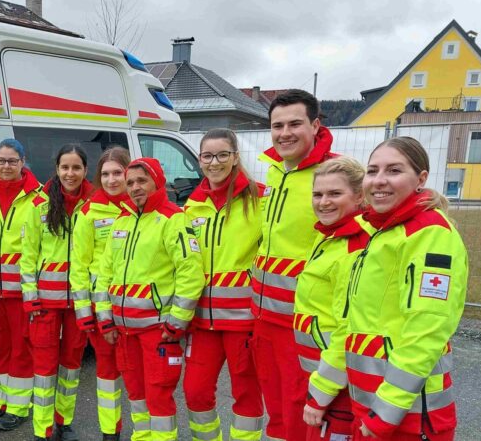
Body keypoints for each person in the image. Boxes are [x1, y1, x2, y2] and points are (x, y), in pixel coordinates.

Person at [345, 137, 466, 441]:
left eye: (394, 170)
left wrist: (385, 413)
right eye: (372, 171)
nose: (379, 180)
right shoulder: (383, 231)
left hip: (407, 416)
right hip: (371, 405)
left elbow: (426, 331)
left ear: (421, 179)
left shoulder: (430, 235)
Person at [94, 157, 205, 441]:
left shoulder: (173, 219)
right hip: (124, 331)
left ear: (157, 181)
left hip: (157, 331)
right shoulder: (122, 219)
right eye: (130, 183)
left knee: (158, 399)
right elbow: (104, 273)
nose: (134, 187)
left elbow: (191, 276)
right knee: (136, 396)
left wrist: (175, 325)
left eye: (141, 181)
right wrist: (105, 319)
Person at [250, 89, 336, 441]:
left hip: (303, 322)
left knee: (303, 413)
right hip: (264, 318)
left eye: (295, 124)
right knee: (277, 412)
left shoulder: (334, 174)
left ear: (315, 125)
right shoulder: (274, 173)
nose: (284, 133)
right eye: (277, 125)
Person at [181, 128, 266, 441]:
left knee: (246, 393)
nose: (214, 162)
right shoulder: (191, 207)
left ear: (235, 158)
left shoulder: (261, 200)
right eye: (207, 156)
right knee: (195, 392)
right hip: (201, 321)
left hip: (245, 320)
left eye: (222, 155)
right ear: (200, 160)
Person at [20, 144, 94, 441]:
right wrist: (30, 297)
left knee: (71, 366)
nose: (70, 173)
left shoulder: (95, 205)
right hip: (44, 304)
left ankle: (64, 421)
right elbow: (26, 257)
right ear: (57, 169)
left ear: (85, 170)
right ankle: (43, 428)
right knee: (44, 368)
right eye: (65, 167)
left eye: (76, 167)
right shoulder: (39, 206)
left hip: (79, 303)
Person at [294, 157, 369, 441]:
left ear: (359, 196)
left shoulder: (354, 249)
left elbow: (348, 330)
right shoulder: (330, 235)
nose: (323, 202)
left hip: (338, 382)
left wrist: (322, 392)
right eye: (318, 194)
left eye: (335, 194)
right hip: (321, 372)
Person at [0, 139, 41, 431]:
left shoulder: (39, 199)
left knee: (21, 349)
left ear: (23, 162)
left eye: (12, 161)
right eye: (1, 160)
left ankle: (18, 406)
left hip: (19, 292)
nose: (6, 166)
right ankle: (0, 401)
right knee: (0, 349)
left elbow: (41, 247)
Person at [70, 147, 131, 441]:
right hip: (101, 309)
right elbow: (79, 267)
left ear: (129, 173)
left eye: (117, 172)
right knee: (107, 374)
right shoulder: (88, 212)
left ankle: (146, 431)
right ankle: (110, 431)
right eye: (105, 174)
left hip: (138, 309)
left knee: (138, 376)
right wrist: (84, 313)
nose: (111, 180)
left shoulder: (142, 208)